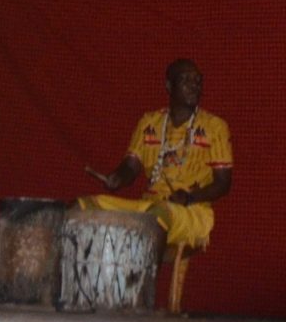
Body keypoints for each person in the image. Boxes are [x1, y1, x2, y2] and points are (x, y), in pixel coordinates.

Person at [79, 58, 232, 255]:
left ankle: (139, 281)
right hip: (149, 205)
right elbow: (131, 167)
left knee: (154, 218)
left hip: (191, 212)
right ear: (169, 86)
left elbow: (224, 183)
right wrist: (118, 177)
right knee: (84, 207)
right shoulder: (149, 122)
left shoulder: (215, 126)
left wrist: (189, 197)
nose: (194, 86)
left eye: (197, 81)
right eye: (186, 80)